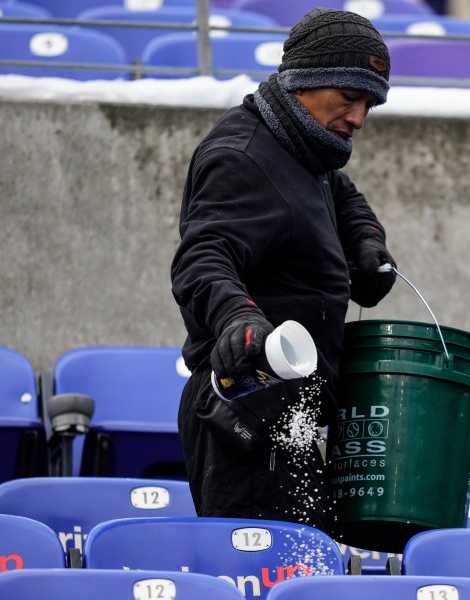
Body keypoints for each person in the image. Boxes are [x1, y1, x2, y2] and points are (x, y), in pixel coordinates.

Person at [170, 8, 397, 532]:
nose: (359, 118)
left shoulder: (303, 147)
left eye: (370, 104)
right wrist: (236, 319)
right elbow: (202, 257)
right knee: (264, 576)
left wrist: (365, 239)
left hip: (296, 414)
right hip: (248, 411)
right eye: (349, 98)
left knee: (305, 577)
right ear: (304, 83)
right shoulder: (243, 155)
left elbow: (340, 193)